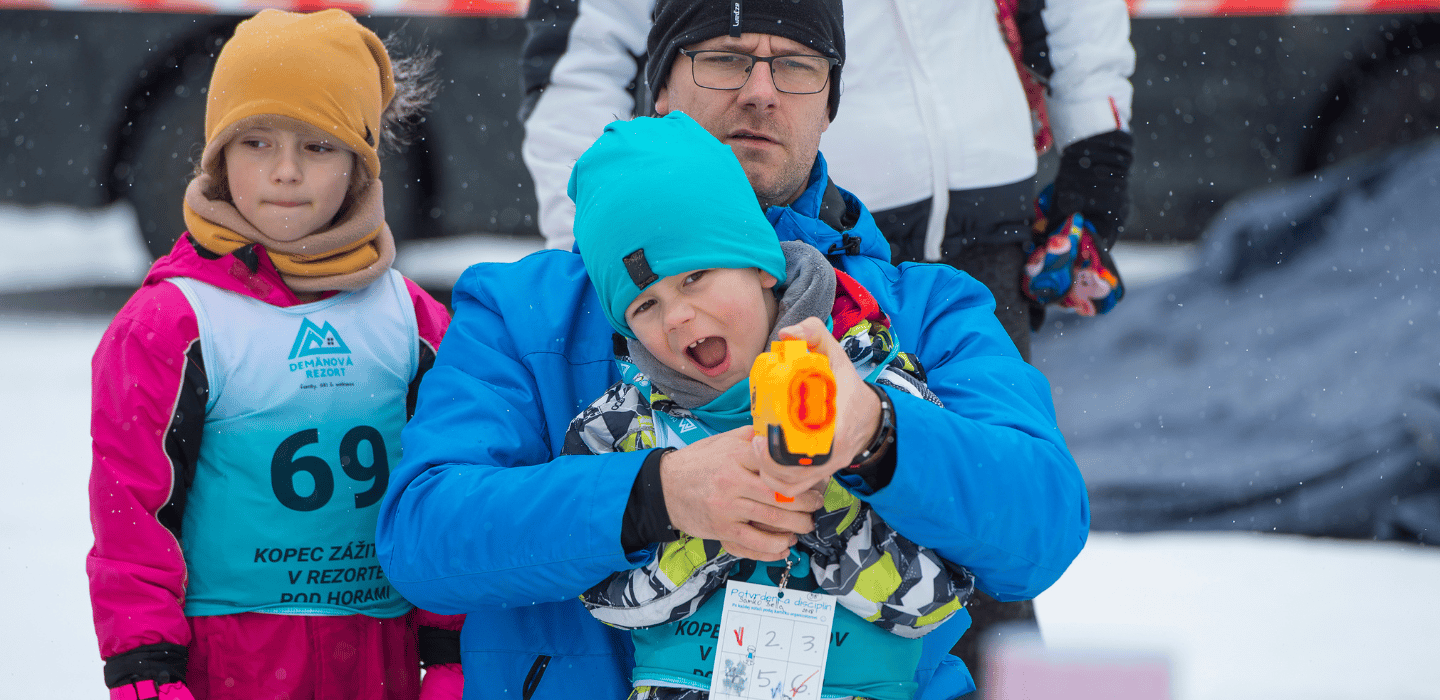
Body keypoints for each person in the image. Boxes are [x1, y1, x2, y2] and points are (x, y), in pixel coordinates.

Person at [378, 0, 1089, 697]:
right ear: (658, 87)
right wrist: (659, 495)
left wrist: (878, 433)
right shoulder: (525, 310)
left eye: (797, 66)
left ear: (830, 103)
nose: (761, 92)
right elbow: (425, 539)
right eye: (723, 59)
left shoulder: (927, 307)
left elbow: (1043, 529)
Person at [87, 10, 463, 700]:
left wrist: (450, 656)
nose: (285, 172)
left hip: (382, 664)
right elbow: (132, 521)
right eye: (256, 142)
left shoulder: (414, 322)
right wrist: (147, 673)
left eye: (318, 147)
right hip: (229, 669)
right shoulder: (169, 324)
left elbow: (454, 494)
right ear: (217, 156)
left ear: (359, 162)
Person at [565, 112, 975, 700]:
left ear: (760, 265)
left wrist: (826, 493)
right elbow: (606, 599)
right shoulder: (619, 427)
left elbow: (936, 601)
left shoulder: (874, 388)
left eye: (695, 276)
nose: (676, 315)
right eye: (643, 307)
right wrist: (706, 518)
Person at [519, 0, 1135, 364]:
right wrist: (605, 256)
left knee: (988, 511)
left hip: (987, 218)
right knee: (768, 534)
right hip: (775, 238)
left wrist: (1097, 150)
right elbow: (582, 60)